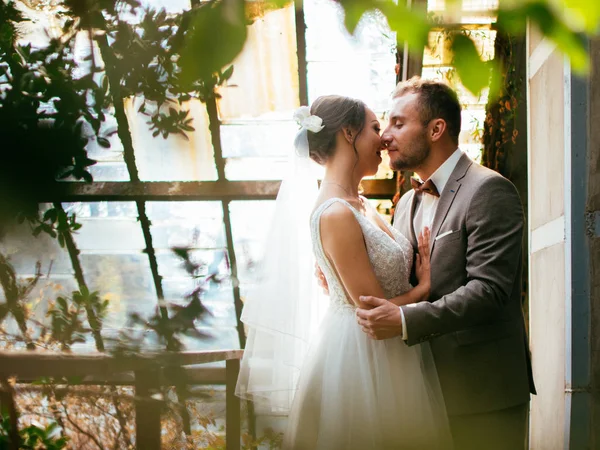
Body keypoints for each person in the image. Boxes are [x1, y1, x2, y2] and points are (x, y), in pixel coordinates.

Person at [236, 95, 453, 449]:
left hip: (395, 349)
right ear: (349, 133)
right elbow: (372, 307)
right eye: (375, 128)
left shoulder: (360, 204)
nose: (383, 139)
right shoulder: (335, 213)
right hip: (365, 357)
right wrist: (423, 288)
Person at [354, 77, 536, 449]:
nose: (385, 136)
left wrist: (404, 321)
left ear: (437, 129)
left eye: (398, 123)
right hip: (417, 392)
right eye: (386, 124)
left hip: (482, 393)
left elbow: (489, 291)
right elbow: (400, 281)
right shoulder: (405, 203)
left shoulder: (489, 189)